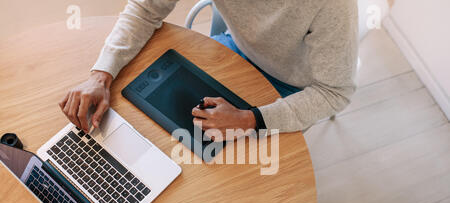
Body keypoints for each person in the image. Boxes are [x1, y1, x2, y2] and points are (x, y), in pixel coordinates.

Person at [59, 0, 358, 139]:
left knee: (241, 181)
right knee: (155, 130)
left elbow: (334, 92)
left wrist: (249, 119)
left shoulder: (333, 5)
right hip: (235, 50)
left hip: (293, 88)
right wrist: (101, 74)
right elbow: (146, 8)